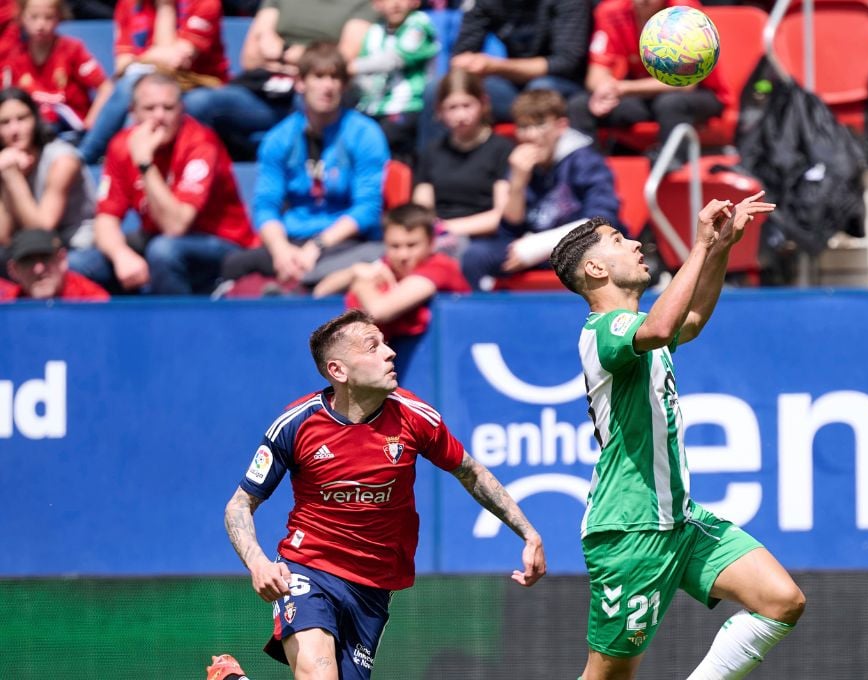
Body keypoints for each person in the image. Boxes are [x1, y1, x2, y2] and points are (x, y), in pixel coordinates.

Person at [548, 193, 806, 679]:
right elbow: (665, 324)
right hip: (631, 529)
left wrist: (721, 247)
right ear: (595, 269)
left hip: (679, 519)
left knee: (781, 600)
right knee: (608, 675)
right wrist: (700, 246)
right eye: (618, 241)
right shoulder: (606, 329)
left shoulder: (640, 331)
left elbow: (691, 320)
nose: (636, 244)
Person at [223, 309, 546, 679]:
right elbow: (239, 505)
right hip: (308, 566)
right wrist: (258, 563)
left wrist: (529, 533)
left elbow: (471, 473)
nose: (390, 353)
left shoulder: (416, 417)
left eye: (386, 344)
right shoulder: (295, 425)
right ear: (338, 371)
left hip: (374, 585)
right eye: (372, 347)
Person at [220, 43, 389, 291]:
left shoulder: (365, 134)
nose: (328, 86)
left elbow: (367, 209)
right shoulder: (279, 138)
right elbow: (266, 206)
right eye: (319, 77)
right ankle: (299, 282)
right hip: (292, 242)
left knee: (375, 256)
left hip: (345, 242)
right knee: (234, 264)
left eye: (335, 78)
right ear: (300, 83)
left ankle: (296, 285)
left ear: (344, 86)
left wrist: (317, 246)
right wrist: (281, 251)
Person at [72, 73, 257, 294]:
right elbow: (106, 220)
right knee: (78, 265)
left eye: (168, 108)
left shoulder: (200, 143)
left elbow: (175, 226)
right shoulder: (121, 145)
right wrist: (121, 256)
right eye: (149, 108)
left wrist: (144, 163)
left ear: (182, 109)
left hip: (222, 245)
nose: (159, 116)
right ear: (133, 112)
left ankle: (175, 317)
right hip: (157, 239)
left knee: (163, 251)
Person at [464, 88, 619, 289]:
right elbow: (509, 231)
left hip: (581, 248)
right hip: (535, 248)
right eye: (523, 127)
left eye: (539, 125)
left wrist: (538, 247)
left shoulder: (585, 161)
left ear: (561, 126)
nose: (530, 135)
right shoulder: (520, 165)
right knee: (476, 255)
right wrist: (517, 183)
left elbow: (603, 220)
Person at [185, 0, 380, 158]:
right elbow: (250, 58)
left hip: (314, 92)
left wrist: (284, 52)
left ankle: (309, 176)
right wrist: (303, 61)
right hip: (266, 93)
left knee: (313, 99)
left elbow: (342, 62)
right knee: (197, 102)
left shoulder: (359, 3)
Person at [77, 0, 232, 163]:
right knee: (136, 93)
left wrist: (165, 8)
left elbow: (175, 62)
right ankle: (119, 160)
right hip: (148, 84)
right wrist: (151, 59)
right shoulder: (127, 4)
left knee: (134, 86)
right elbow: (122, 65)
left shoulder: (204, 3)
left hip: (199, 84)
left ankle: (88, 157)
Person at [416, 0, 591, 145]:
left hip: (563, 86)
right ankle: (432, 170)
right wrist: (465, 63)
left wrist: (496, 66)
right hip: (511, 89)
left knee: (539, 89)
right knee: (437, 89)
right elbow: (462, 54)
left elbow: (566, 62)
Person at [567, 0, 729, 152]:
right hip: (640, 96)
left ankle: (673, 166)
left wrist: (623, 88)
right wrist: (606, 90)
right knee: (580, 105)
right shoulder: (610, 12)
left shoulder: (684, 11)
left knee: (670, 103)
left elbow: (685, 81)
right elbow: (595, 75)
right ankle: (587, 167)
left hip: (698, 94)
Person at [313, 203, 469, 341]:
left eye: (412, 245)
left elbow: (379, 311)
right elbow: (320, 292)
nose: (403, 255)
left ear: (431, 243)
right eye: (395, 246)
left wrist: (360, 285)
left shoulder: (441, 267)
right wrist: (354, 272)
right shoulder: (386, 265)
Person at [411, 69, 513, 258]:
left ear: (483, 104)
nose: (460, 115)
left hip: (481, 240)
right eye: (452, 108)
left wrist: (447, 228)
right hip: (438, 237)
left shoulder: (502, 149)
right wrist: (433, 231)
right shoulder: (431, 151)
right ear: (439, 110)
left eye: (467, 105)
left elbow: (501, 215)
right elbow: (422, 209)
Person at [0, 88, 97, 272]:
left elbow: (43, 230)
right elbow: (3, 238)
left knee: (67, 266)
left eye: (22, 118)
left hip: (76, 246)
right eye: (4, 122)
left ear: (35, 119)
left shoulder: (62, 160)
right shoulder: (5, 161)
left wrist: (12, 176)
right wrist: (5, 175)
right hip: (29, 250)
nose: (14, 130)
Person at [0, 0, 114, 136]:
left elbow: (106, 88)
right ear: (21, 18)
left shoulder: (72, 50)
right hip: (31, 133)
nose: (40, 24)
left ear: (59, 17)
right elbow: (7, 100)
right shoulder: (14, 56)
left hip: (71, 132)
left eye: (48, 17)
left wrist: (90, 123)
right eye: (34, 17)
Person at [350, 0, 438, 163]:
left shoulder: (419, 25)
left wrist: (349, 67)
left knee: (381, 139)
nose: (395, 3)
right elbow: (362, 74)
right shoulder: (375, 30)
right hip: (372, 106)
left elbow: (394, 60)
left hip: (408, 106)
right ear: (377, 4)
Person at [0, 228, 109, 300]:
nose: (39, 269)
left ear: (62, 259)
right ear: (14, 270)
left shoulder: (91, 300)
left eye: (46, 258)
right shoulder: (8, 306)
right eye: (28, 261)